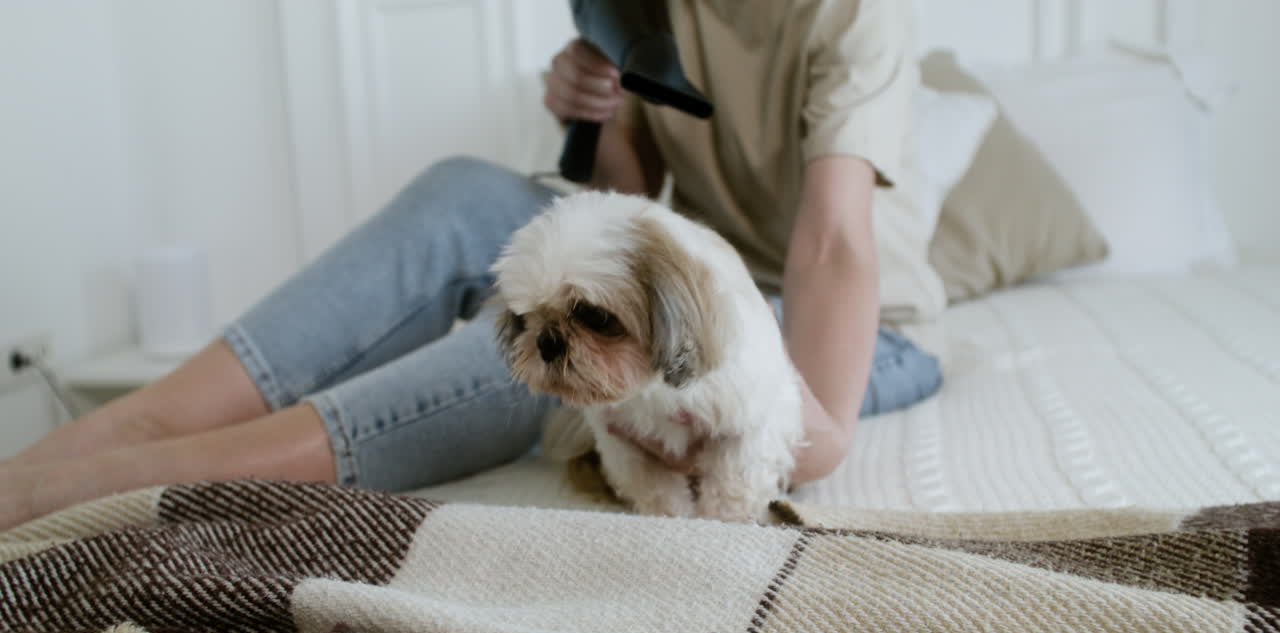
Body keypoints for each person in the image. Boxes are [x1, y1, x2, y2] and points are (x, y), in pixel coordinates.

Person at [0, 0, 941, 531]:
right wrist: (600, 107)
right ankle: (119, 433)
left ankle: (118, 487)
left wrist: (806, 418)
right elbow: (622, 203)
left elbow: (833, 244)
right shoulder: (647, 5)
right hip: (672, 265)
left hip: (826, 314)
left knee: (551, 359)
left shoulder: (853, 15)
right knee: (467, 197)